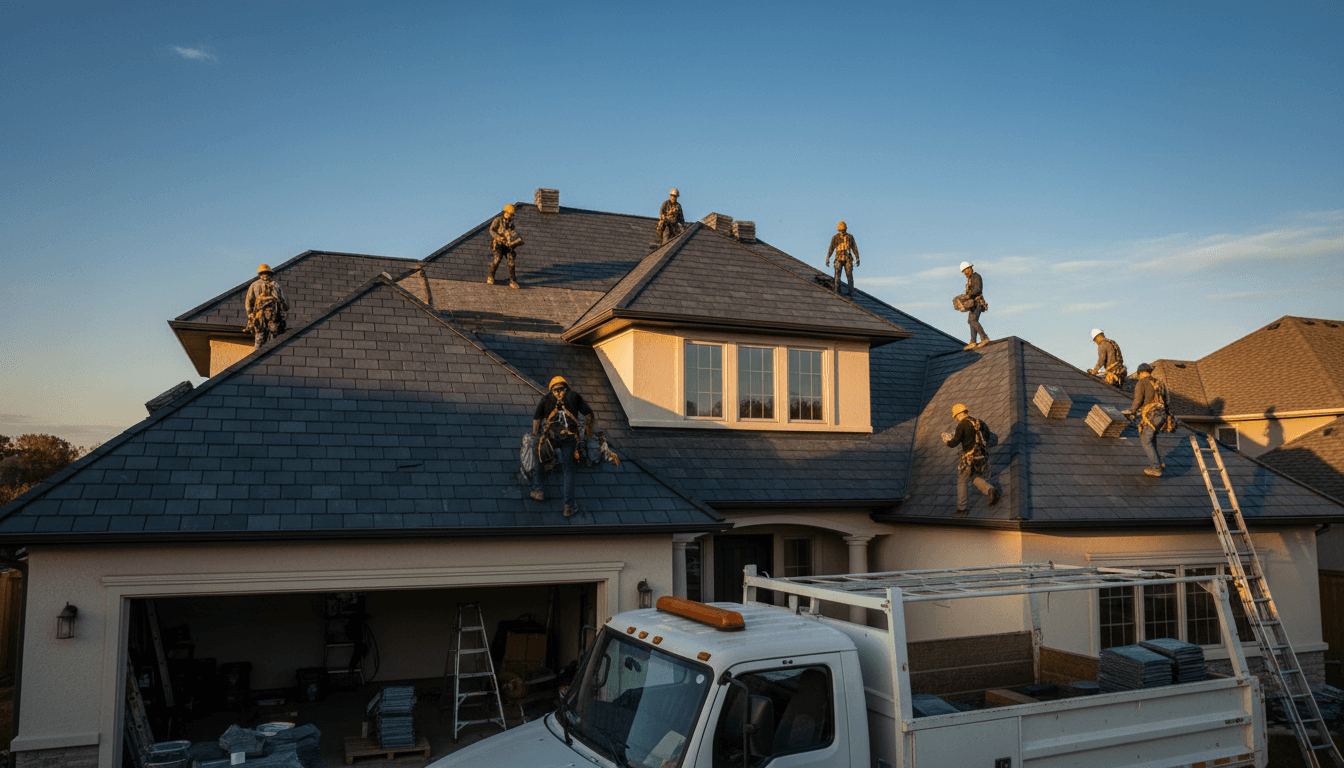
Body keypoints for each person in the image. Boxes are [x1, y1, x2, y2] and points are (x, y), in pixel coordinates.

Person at [531, 376, 595, 516]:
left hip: (551, 437)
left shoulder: (546, 398)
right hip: (569, 438)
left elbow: (537, 420)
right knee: (568, 471)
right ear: (566, 385)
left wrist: (537, 439)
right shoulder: (574, 396)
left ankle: (538, 490)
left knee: (539, 458)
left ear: (551, 387)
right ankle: (569, 506)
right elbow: (589, 415)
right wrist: (587, 433)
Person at [942, 403, 1000, 512]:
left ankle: (961, 508)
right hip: (982, 457)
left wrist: (947, 440)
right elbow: (988, 437)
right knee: (974, 477)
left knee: (962, 480)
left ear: (959, 414)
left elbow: (954, 443)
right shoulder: (979, 422)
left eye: (956, 416)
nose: (957, 419)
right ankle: (990, 489)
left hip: (969, 458)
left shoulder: (962, 425)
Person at [1123, 363, 1171, 477]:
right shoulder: (1160, 383)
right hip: (1162, 415)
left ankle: (1156, 467)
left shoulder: (1141, 383)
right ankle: (1159, 461)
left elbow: (1138, 400)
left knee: (1145, 439)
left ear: (1140, 373)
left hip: (1152, 416)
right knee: (1151, 437)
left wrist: (1131, 411)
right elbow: (1167, 401)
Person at [244, 263, 289, 347]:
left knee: (265, 340)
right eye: (264, 273)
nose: (265, 275)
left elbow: (248, 302)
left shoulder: (272, 285)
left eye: (266, 273)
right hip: (265, 318)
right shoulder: (273, 285)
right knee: (269, 340)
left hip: (268, 317)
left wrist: (250, 315)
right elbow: (284, 303)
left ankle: (261, 357)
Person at [487, 203, 522, 289]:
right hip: (498, 244)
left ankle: (512, 281)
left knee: (511, 262)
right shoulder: (498, 220)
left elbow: (513, 233)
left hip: (507, 245)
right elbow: (491, 230)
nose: (510, 216)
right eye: (509, 214)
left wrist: (514, 241)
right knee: (497, 259)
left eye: (511, 215)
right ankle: (491, 276)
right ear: (505, 212)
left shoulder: (511, 224)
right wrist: (498, 237)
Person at [958, 261, 988, 350]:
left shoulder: (976, 277)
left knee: (973, 320)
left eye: (966, 270)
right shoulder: (970, 279)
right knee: (970, 321)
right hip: (972, 303)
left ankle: (984, 338)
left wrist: (968, 296)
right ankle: (973, 341)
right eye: (964, 272)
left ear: (970, 268)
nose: (966, 273)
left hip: (977, 302)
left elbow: (977, 289)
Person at [826, 222, 860, 297]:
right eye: (841, 231)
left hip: (848, 258)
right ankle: (837, 291)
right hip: (838, 258)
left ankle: (850, 292)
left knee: (849, 275)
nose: (842, 232)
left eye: (843, 230)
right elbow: (831, 248)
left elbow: (854, 248)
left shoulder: (849, 237)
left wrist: (857, 257)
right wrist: (828, 258)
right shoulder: (836, 237)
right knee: (837, 275)